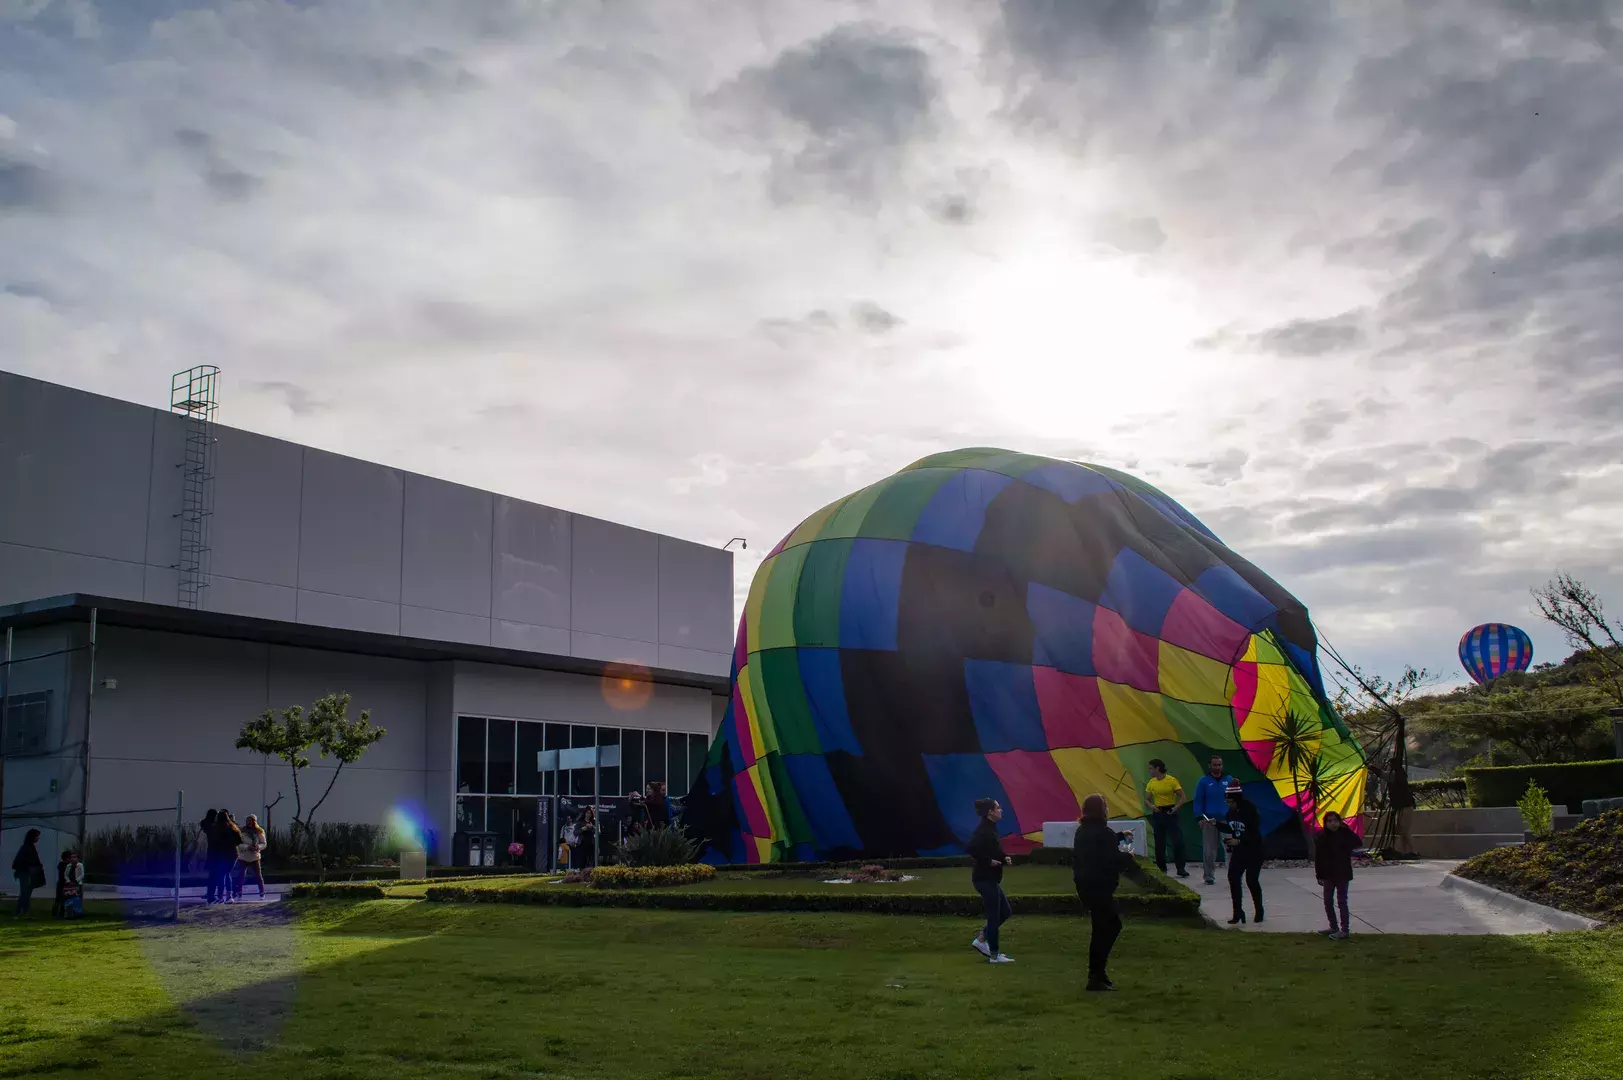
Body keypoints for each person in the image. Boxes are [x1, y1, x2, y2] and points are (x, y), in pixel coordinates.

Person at [1073, 793, 1147, 992]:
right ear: (1100, 809)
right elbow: (1110, 858)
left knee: (1102, 928)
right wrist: (1128, 856)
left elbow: (1099, 847)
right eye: (1105, 805)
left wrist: (1120, 836)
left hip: (1086, 886)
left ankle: (1097, 974)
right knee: (1110, 927)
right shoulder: (1102, 832)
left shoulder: (1082, 830)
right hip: (1100, 887)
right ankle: (1096, 975)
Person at [967, 797, 1015, 964]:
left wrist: (1004, 857)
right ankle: (994, 955)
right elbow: (972, 848)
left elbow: (995, 850)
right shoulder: (982, 830)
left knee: (1006, 911)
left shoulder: (992, 828)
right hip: (983, 878)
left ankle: (981, 939)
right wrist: (988, 861)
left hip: (991, 878)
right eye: (998, 808)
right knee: (994, 916)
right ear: (990, 812)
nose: (1001, 810)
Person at [1222, 781, 1264, 925]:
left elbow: (1254, 834)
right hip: (1239, 851)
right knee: (1233, 877)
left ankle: (1259, 910)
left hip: (1254, 850)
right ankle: (1237, 912)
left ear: (1238, 800)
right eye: (1227, 802)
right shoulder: (1230, 813)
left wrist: (1239, 841)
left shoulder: (1250, 811)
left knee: (1251, 880)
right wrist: (1215, 823)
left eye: (1231, 802)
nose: (1229, 805)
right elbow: (1231, 828)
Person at [1315, 811, 1359, 939]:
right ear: (1325, 823)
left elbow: (1357, 842)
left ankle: (1345, 929)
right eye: (1329, 821)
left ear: (1339, 822)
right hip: (1328, 874)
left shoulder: (1345, 835)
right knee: (1328, 901)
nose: (1332, 823)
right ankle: (1333, 926)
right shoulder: (1322, 837)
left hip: (1342, 873)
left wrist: (1346, 829)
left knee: (1341, 901)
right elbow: (1319, 858)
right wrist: (1319, 875)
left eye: (1335, 820)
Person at [1142, 759, 1190, 878]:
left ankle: (1181, 868)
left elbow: (1183, 797)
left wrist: (1176, 807)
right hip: (1158, 812)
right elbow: (1147, 799)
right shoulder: (1151, 782)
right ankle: (1161, 868)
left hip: (1170, 811)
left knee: (1177, 841)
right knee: (1159, 842)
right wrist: (1152, 806)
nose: (1150, 771)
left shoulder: (1171, 780)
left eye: (1151, 768)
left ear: (1158, 768)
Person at [1192, 755, 1233, 884]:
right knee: (1209, 851)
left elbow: (1236, 799)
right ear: (1210, 766)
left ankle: (1233, 875)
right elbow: (1198, 800)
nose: (1217, 767)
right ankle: (1209, 876)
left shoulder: (1229, 780)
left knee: (1231, 849)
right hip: (1209, 821)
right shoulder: (1203, 781)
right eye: (1215, 765)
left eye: (1219, 765)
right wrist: (1200, 817)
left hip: (1227, 820)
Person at [12, 829, 45, 918]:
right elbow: (21, 861)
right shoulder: (27, 847)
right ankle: (19, 913)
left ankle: (24, 913)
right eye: (37, 836)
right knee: (25, 893)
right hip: (25, 873)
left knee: (26, 893)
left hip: (28, 873)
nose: (38, 838)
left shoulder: (29, 847)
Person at [210, 809, 242, 904]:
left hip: (220, 854)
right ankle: (229, 896)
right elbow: (239, 841)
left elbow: (213, 842)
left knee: (222, 875)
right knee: (227, 873)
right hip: (232, 854)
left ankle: (221, 896)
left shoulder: (215, 829)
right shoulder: (233, 828)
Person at [235, 814, 267, 900]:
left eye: (251, 821)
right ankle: (238, 892)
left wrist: (258, 847)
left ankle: (262, 892)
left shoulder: (259, 831)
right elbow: (238, 844)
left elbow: (263, 843)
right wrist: (247, 847)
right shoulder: (242, 831)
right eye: (248, 820)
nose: (249, 822)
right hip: (243, 856)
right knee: (241, 875)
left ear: (254, 821)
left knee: (258, 875)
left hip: (255, 856)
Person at [1388, 761, 1417, 855]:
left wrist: (1371, 767)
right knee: (1401, 830)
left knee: (1405, 830)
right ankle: (1405, 851)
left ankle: (1413, 851)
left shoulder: (1396, 776)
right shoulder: (1399, 775)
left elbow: (1384, 775)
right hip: (1401, 807)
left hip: (1405, 807)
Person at [199, 809, 220, 902]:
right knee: (217, 874)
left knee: (212, 874)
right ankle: (212, 895)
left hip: (210, 852)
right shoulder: (214, 826)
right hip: (217, 852)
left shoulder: (205, 825)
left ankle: (210, 894)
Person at [59, 850, 84, 919]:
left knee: (78, 898)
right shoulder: (68, 866)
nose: (73, 858)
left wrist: (76, 881)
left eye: (75, 857)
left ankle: (78, 912)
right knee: (69, 897)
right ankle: (69, 913)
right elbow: (65, 875)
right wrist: (69, 881)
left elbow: (82, 874)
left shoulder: (80, 865)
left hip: (78, 884)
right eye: (72, 857)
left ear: (77, 858)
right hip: (69, 885)